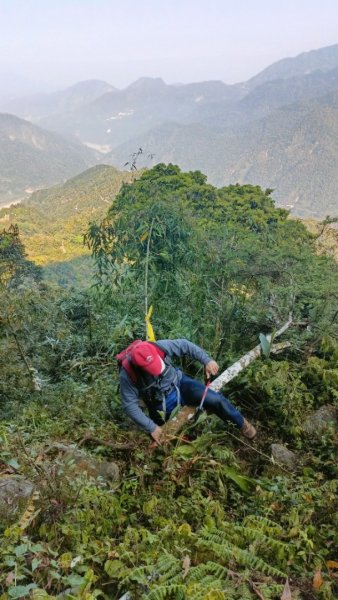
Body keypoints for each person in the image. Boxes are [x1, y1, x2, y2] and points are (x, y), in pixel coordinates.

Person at [118, 339, 256, 444]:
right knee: (171, 439)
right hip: (158, 402)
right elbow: (130, 406)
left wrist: (207, 360)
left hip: (180, 384)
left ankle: (242, 424)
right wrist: (151, 427)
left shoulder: (158, 347)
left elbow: (185, 345)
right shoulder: (127, 374)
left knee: (215, 400)